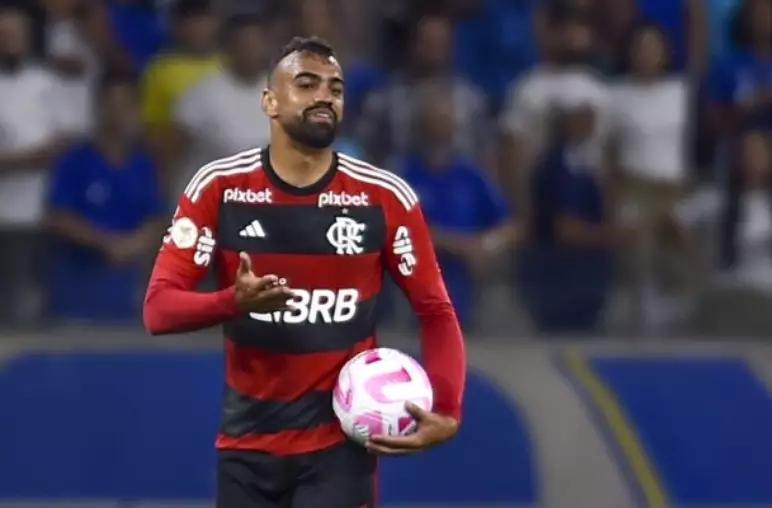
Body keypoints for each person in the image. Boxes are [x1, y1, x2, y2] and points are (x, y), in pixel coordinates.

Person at [143, 37, 466, 507]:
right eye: (306, 83)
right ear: (269, 102)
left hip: (338, 449)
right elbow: (158, 310)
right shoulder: (221, 188)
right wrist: (234, 301)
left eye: (335, 88)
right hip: (246, 444)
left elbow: (435, 309)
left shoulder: (383, 197)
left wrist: (448, 410)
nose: (324, 96)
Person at [46, 72, 165, 323]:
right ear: (98, 107)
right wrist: (105, 243)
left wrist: (133, 244)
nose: (117, 113)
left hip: (128, 286)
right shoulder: (75, 160)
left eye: (125, 105)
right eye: (111, 104)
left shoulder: (144, 164)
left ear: (136, 109)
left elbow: (156, 220)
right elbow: (58, 217)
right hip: (77, 283)